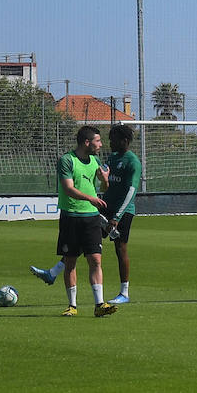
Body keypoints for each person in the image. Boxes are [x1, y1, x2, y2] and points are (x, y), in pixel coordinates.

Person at [32, 124, 141, 306]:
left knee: (120, 248)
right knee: (86, 243)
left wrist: (117, 216)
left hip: (122, 212)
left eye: (112, 139)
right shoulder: (110, 158)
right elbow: (102, 178)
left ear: (124, 141)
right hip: (104, 206)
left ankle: (124, 292)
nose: (108, 143)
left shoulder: (132, 161)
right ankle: (53, 273)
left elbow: (131, 190)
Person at [43, 126, 118, 317]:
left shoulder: (95, 160)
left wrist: (105, 180)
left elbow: (102, 186)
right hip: (71, 217)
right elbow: (68, 189)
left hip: (91, 218)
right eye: (98, 141)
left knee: (95, 260)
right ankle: (72, 306)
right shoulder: (67, 160)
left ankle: (99, 304)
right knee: (70, 262)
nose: (101, 145)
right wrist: (90, 199)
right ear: (87, 142)